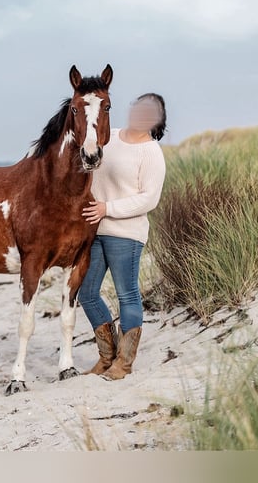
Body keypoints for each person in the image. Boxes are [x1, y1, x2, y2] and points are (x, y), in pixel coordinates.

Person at [78, 92, 167, 380]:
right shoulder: (109, 137)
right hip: (94, 230)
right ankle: (107, 357)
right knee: (87, 293)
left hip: (126, 234)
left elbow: (148, 199)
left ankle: (124, 363)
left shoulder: (151, 152)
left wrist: (108, 208)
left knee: (126, 294)